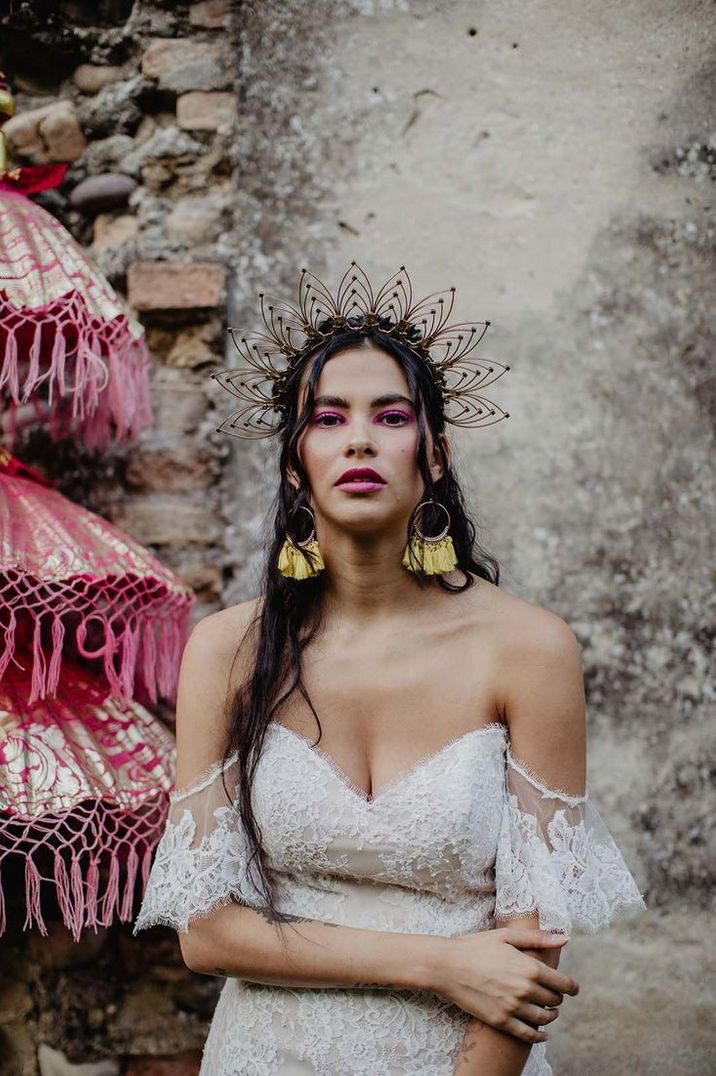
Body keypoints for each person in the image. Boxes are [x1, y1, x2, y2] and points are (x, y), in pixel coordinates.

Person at [132, 263, 647, 1074]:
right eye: (329, 418)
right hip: (265, 1055)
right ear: (297, 465)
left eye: (392, 415)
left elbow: (531, 956)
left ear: (435, 455)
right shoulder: (229, 651)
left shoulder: (528, 650)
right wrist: (440, 962)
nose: (361, 439)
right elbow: (206, 933)